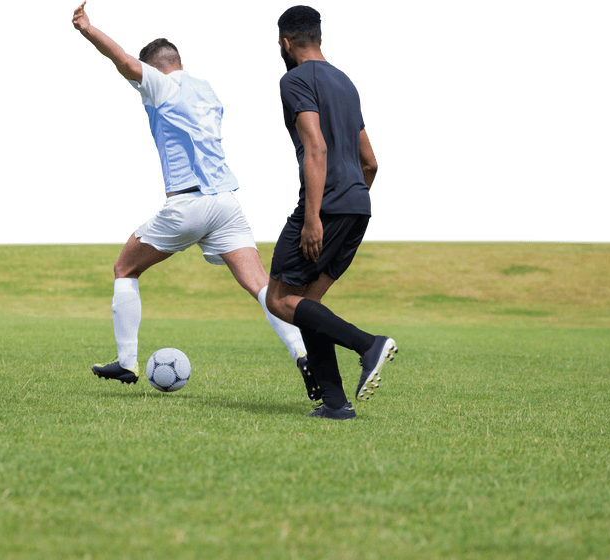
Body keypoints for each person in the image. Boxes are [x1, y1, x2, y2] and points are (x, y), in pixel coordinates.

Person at [71, 1, 316, 395]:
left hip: (187, 204)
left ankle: (127, 361)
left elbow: (124, 62)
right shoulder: (207, 90)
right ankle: (305, 355)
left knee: (125, 269)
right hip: (226, 203)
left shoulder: (161, 85)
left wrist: (88, 30)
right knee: (263, 289)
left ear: (155, 67)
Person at [265, 5, 397, 420]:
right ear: (319, 37)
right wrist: (352, 200)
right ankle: (336, 403)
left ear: (286, 41)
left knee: (279, 298)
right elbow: (371, 162)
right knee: (308, 304)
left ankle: (368, 344)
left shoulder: (294, 80)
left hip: (326, 204)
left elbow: (316, 147)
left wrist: (314, 216)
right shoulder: (346, 83)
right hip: (358, 204)